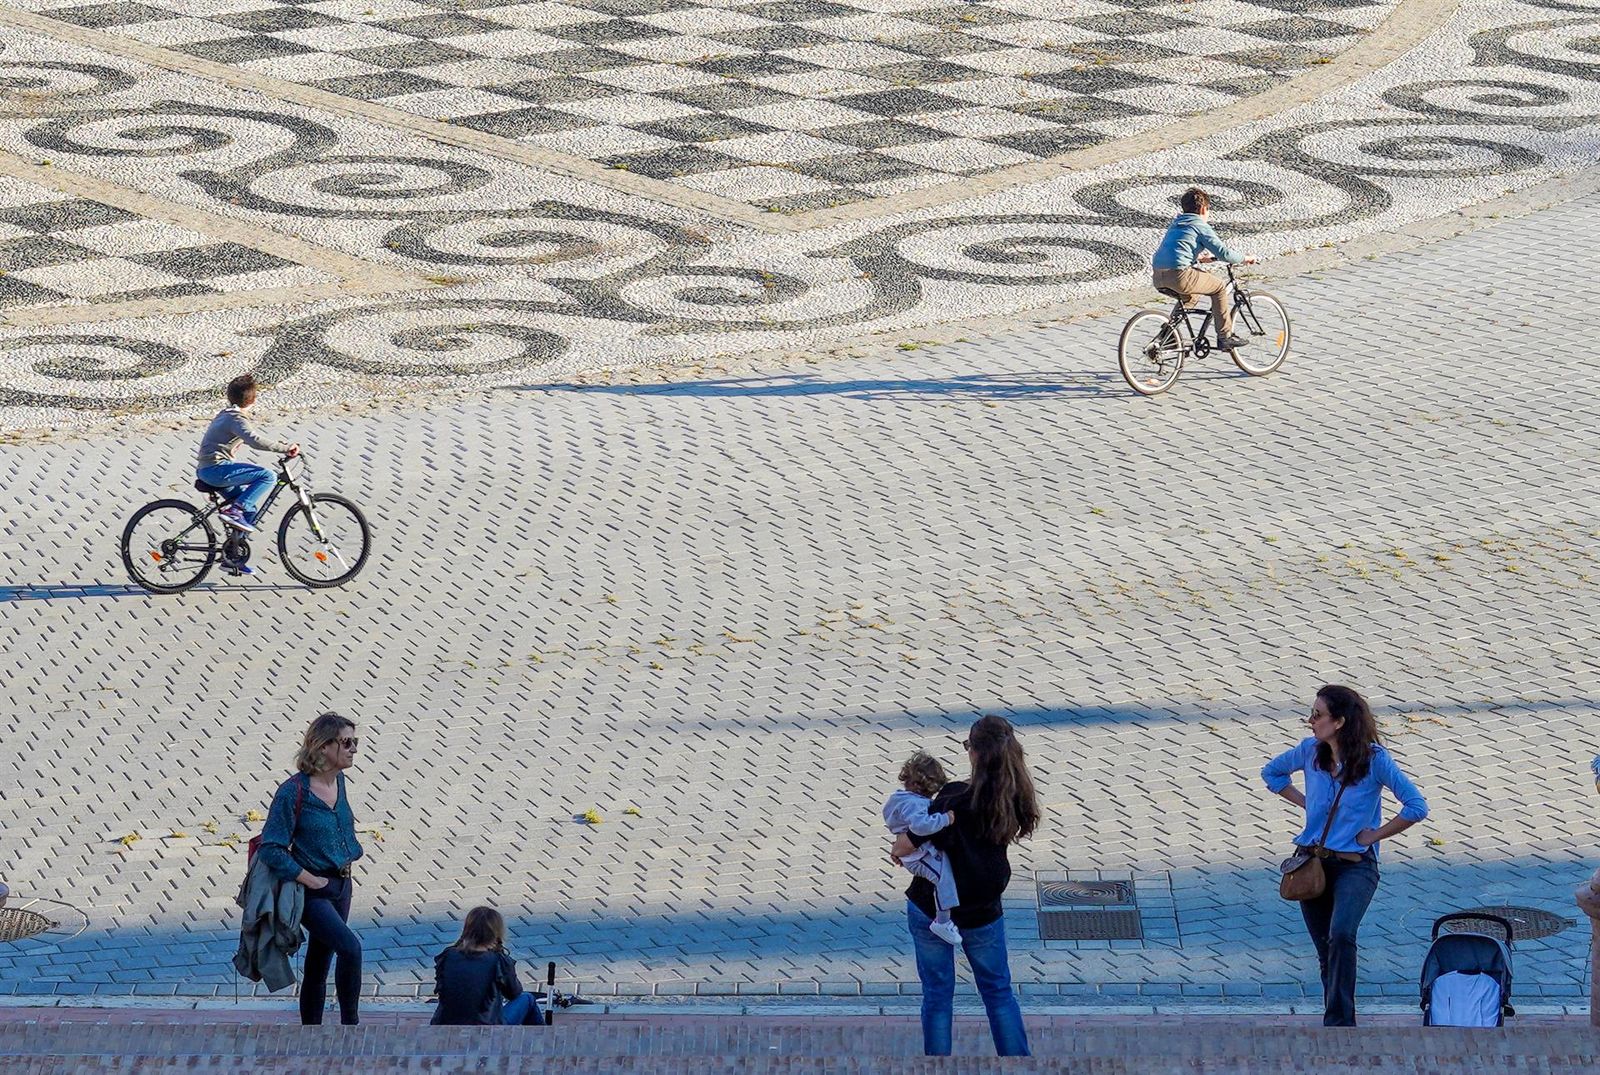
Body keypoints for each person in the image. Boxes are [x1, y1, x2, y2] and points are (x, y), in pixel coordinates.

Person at [1261, 685, 1428, 1027]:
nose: (1310, 721)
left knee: (1341, 934)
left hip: (1356, 865)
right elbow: (1272, 774)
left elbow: (1416, 807)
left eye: (1317, 715)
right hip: (1311, 863)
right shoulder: (1309, 751)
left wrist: (1375, 835)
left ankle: (1340, 1024)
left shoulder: (1375, 759)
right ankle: (1336, 1020)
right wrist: (1308, 804)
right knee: (1326, 949)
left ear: (1339, 722)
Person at [891, 715, 1041, 1057]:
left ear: (974, 753)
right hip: (983, 911)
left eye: (968, 745)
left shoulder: (953, 799)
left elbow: (905, 844)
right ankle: (1017, 1063)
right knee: (998, 992)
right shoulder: (1014, 797)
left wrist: (900, 848)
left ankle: (938, 1065)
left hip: (931, 908)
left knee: (937, 995)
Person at [257, 712, 365, 1026]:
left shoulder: (339, 781)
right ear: (323, 747)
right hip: (312, 891)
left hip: (342, 885)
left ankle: (311, 1033)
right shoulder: (293, 792)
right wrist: (310, 880)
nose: (354, 749)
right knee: (350, 948)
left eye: (355, 741)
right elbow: (271, 848)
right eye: (346, 742)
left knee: (319, 963)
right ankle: (351, 1027)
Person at [196, 373, 299, 555]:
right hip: (216, 470)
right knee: (268, 476)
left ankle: (233, 555)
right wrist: (284, 448)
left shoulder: (226, 414)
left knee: (250, 510)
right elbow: (254, 441)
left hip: (209, 469)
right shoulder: (236, 419)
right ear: (254, 400)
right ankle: (234, 511)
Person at [1151, 187, 1258, 350]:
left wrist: (1199, 258)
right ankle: (1225, 337)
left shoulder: (1176, 223)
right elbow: (1224, 253)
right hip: (1180, 275)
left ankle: (1168, 335)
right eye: (1208, 210)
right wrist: (1245, 258)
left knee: (1191, 297)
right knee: (1219, 287)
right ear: (1202, 209)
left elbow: (1177, 250)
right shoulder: (1200, 225)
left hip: (1158, 276)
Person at [882, 751, 960, 945]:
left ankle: (944, 919)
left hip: (912, 853)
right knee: (943, 878)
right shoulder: (915, 804)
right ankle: (943, 921)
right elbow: (921, 826)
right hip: (918, 855)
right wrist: (945, 819)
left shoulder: (900, 798)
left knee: (943, 874)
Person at [432, 907, 545, 1026]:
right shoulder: (498, 960)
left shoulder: (448, 955)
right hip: (486, 1027)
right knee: (527, 999)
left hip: (444, 1024)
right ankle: (543, 1035)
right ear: (496, 932)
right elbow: (514, 993)